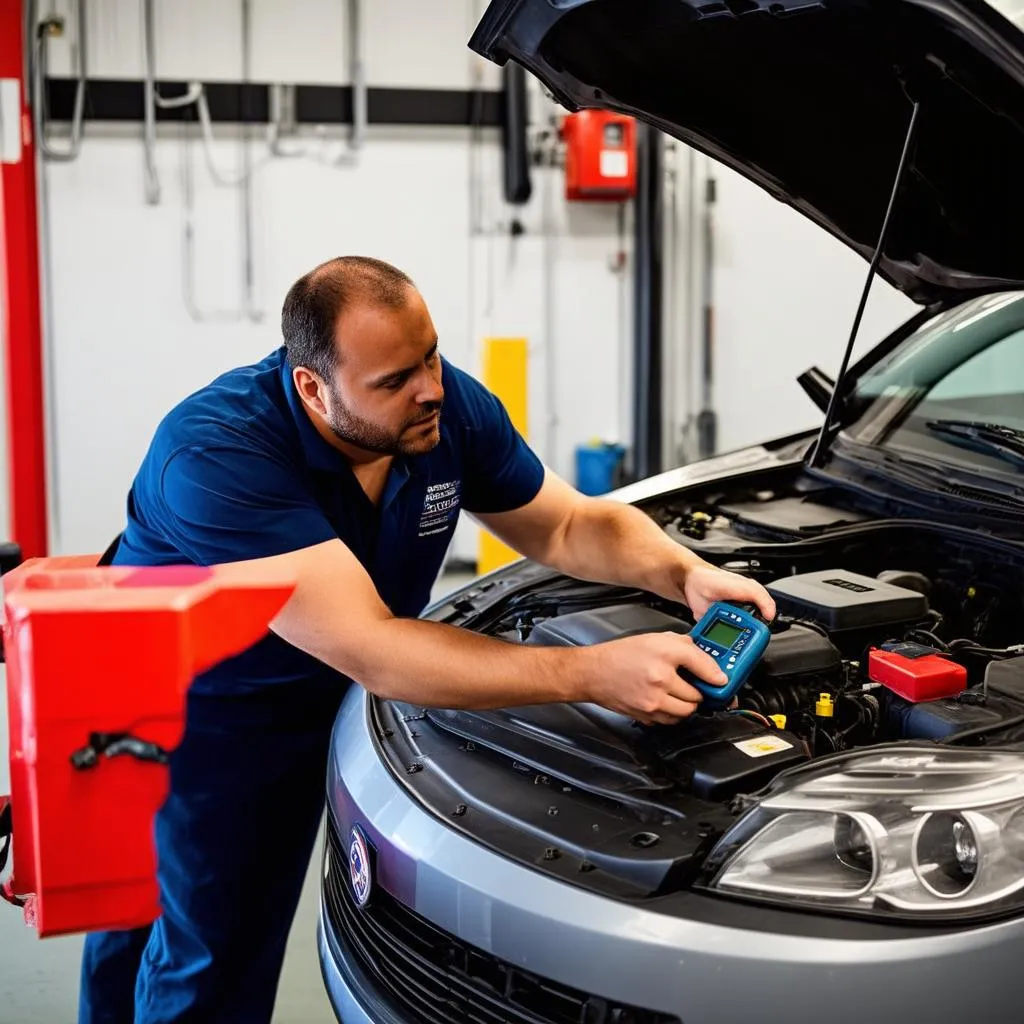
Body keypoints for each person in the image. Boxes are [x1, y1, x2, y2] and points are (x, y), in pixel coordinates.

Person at [79, 255, 775, 1023]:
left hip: (325, 685)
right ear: (312, 388)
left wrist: (683, 575)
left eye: (432, 356)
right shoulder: (215, 455)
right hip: (195, 715)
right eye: (393, 380)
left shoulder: (441, 413)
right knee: (206, 948)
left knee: (168, 927)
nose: (431, 388)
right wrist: (593, 672)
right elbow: (376, 647)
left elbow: (569, 523)